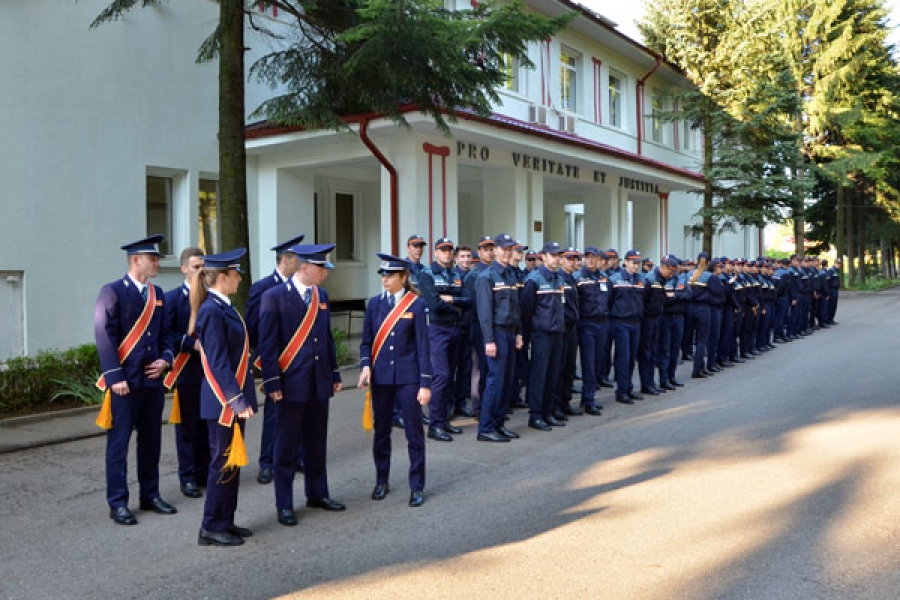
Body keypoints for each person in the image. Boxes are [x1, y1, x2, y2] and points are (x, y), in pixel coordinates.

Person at [258, 244, 345, 527]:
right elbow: (268, 345)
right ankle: (284, 504)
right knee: (286, 446)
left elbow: (326, 338)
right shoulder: (274, 297)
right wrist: (272, 382)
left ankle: (317, 493)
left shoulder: (322, 296)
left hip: (318, 381)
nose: (326, 274)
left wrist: (334, 374)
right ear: (304, 267)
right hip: (290, 383)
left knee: (316, 442)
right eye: (322, 269)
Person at [95, 234, 177, 526]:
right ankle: (117, 502)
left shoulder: (159, 295)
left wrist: (166, 359)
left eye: (157, 258)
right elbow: (105, 335)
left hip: (152, 383)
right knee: (118, 446)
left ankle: (150, 495)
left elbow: (168, 333)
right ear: (135, 260)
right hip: (124, 383)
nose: (156, 263)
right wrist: (114, 376)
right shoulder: (112, 291)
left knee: (151, 442)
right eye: (152, 259)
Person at [190, 247, 257, 546]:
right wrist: (236, 399)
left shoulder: (224, 306)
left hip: (229, 399)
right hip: (221, 402)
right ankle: (211, 526)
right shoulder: (211, 311)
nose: (240, 278)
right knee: (221, 463)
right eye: (236, 273)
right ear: (223, 277)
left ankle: (226, 520)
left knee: (231, 462)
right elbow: (216, 363)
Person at [357, 253, 433, 507]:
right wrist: (366, 366)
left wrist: (425, 384)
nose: (385, 279)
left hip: (409, 378)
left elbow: (423, 347)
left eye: (390, 275)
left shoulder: (417, 305)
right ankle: (381, 480)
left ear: (403, 277)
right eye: (383, 275)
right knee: (382, 432)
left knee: (413, 433)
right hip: (381, 378)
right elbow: (366, 341)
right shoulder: (375, 304)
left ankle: (417, 485)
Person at [245, 234, 305, 485]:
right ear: (286, 260)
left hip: (298, 360)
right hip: (274, 360)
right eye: (297, 260)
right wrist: (262, 357)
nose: (301, 265)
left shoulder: (304, 288)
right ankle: (267, 462)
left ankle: (297, 456)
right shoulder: (263, 287)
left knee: (299, 410)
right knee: (274, 413)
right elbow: (252, 325)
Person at [162, 247, 209, 499]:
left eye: (203, 267)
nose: (200, 272)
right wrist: (192, 344)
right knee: (187, 427)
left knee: (206, 424)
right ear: (183, 269)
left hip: (209, 371)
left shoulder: (210, 297)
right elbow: (168, 333)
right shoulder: (171, 299)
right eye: (195, 267)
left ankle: (204, 472)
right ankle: (188, 477)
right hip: (186, 369)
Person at [419, 238, 469, 441]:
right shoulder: (426, 274)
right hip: (437, 329)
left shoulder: (456, 273)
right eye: (443, 250)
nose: (447, 253)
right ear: (436, 252)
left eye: (450, 250)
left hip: (454, 329)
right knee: (441, 376)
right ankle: (435, 424)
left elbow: (468, 300)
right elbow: (434, 304)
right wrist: (454, 305)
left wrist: (453, 300)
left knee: (451, 375)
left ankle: (445, 420)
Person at [475, 233, 523, 442]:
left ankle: (499, 423)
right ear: (495, 250)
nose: (507, 253)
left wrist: (519, 332)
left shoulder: (510, 275)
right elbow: (484, 313)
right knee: (495, 382)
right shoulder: (486, 276)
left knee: (507, 381)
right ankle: (486, 427)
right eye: (503, 249)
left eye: (510, 249)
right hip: (497, 333)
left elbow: (516, 307)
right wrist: (489, 340)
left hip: (511, 333)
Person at [520, 241, 566, 430]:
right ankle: (536, 415)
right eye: (553, 255)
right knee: (539, 376)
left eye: (558, 255)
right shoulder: (534, 280)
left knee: (553, 375)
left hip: (557, 333)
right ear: (543, 257)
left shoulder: (559, 278)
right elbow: (526, 311)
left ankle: (548, 412)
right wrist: (527, 336)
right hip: (541, 334)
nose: (556, 259)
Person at [574, 246, 610, 415]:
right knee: (588, 362)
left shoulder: (604, 277)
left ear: (599, 259)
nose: (590, 260)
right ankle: (588, 400)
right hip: (586, 323)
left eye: (593, 257)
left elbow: (609, 298)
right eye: (587, 257)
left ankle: (590, 396)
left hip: (602, 322)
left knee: (598, 361)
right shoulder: (578, 277)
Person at [608, 250, 645, 404]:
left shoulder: (641, 280)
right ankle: (622, 391)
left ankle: (628, 387)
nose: (635, 265)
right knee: (623, 357)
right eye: (632, 262)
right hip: (621, 322)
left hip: (635, 322)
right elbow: (609, 301)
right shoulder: (615, 280)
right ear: (625, 263)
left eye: (637, 263)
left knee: (631, 358)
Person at [452, 245, 476, 418]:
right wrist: (462, 301)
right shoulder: (452, 276)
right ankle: (449, 404)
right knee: (450, 368)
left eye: (468, 256)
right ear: (456, 258)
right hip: (454, 326)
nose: (466, 259)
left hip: (470, 326)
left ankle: (461, 402)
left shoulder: (474, 276)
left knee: (466, 367)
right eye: (462, 256)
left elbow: (472, 300)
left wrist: (458, 300)